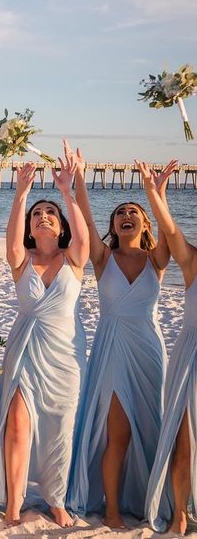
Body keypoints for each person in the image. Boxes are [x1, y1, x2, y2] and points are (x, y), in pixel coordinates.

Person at [67, 147, 175, 527]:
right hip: (112, 348)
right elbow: (83, 216)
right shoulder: (102, 258)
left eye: (134, 213)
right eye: (120, 213)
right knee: (119, 432)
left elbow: (170, 229)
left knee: (153, 430)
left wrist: (155, 193)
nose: (127, 216)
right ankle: (111, 509)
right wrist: (79, 177)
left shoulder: (157, 259)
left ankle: (151, 498)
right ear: (113, 226)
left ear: (144, 224)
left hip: (148, 348)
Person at [0, 149, 89, 528]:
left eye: (49, 213)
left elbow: (83, 238)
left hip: (65, 355)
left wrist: (68, 193)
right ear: (30, 227)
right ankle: (14, 505)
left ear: (60, 224)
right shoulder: (22, 259)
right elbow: (11, 243)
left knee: (60, 430)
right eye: (36, 214)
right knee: (17, 423)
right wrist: (20, 195)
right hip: (26, 352)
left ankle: (56, 500)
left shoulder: (75, 259)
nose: (42, 217)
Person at [137, 160, 197, 534]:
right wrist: (154, 194)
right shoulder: (193, 262)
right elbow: (171, 233)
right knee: (183, 440)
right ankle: (177, 514)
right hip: (193, 357)